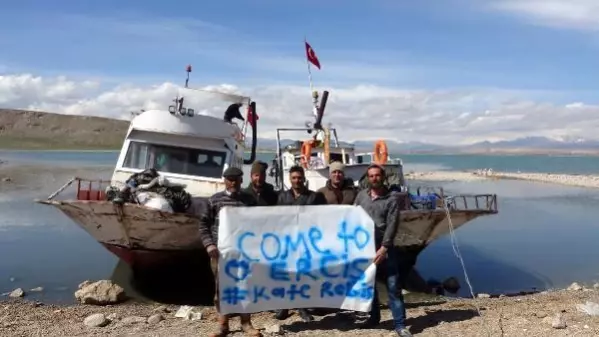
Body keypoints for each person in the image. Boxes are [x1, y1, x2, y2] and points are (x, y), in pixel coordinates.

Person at [198, 166, 262, 337]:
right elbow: (203, 225)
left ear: (242, 180)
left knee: (245, 287)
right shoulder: (214, 200)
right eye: (230, 179)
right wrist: (209, 245)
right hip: (220, 254)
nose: (233, 182)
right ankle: (222, 325)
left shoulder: (250, 200)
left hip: (244, 254)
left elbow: (258, 225)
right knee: (221, 289)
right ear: (224, 180)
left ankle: (246, 323)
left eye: (236, 179)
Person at [353, 164, 412, 337]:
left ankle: (400, 325)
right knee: (370, 285)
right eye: (371, 176)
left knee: (393, 286)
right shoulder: (361, 196)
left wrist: (384, 248)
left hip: (385, 248)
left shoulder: (391, 199)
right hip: (365, 247)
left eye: (377, 175)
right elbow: (352, 216)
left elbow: (392, 225)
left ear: (383, 177)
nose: (374, 178)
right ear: (367, 178)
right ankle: (373, 318)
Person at [273, 165, 327, 322]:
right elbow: (276, 218)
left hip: (306, 242)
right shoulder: (282, 197)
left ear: (304, 178)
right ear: (290, 179)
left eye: (299, 177)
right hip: (287, 242)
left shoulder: (314, 197)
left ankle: (302, 308)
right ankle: (284, 306)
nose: (297, 180)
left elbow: (323, 218)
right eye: (294, 178)